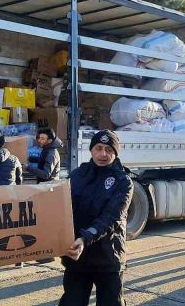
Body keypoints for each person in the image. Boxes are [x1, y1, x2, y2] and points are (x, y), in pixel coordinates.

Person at [60, 130, 134, 305]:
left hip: (108, 256)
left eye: (109, 149)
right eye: (99, 148)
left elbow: (111, 217)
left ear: (115, 153)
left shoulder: (123, 181)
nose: (103, 154)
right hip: (78, 257)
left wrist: (86, 237)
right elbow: (62, 209)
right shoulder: (77, 175)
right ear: (91, 150)